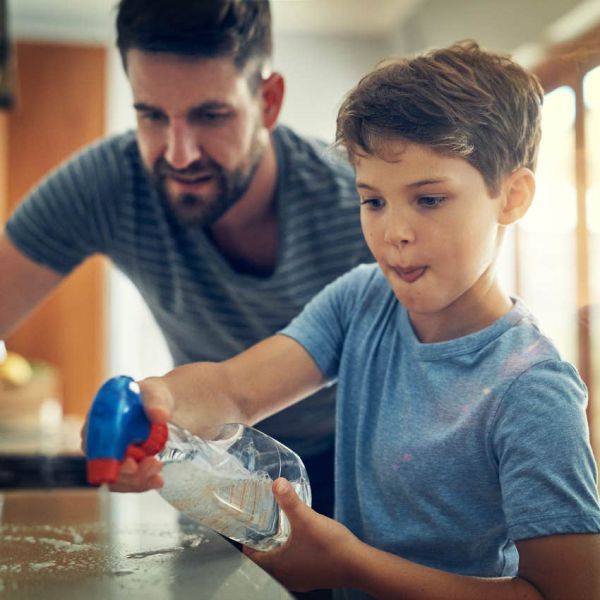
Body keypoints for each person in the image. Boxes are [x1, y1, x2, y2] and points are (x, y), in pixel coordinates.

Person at [101, 41, 600, 599]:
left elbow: (566, 593)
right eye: (374, 201)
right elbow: (233, 389)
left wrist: (349, 565)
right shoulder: (364, 299)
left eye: (429, 200)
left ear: (511, 197)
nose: (394, 233)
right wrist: (159, 407)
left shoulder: (532, 388)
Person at [0, 0, 372, 520]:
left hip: (358, 468)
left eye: (210, 115)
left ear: (267, 101)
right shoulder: (108, 183)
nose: (178, 154)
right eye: (151, 115)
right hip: (213, 467)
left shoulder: (362, 207)